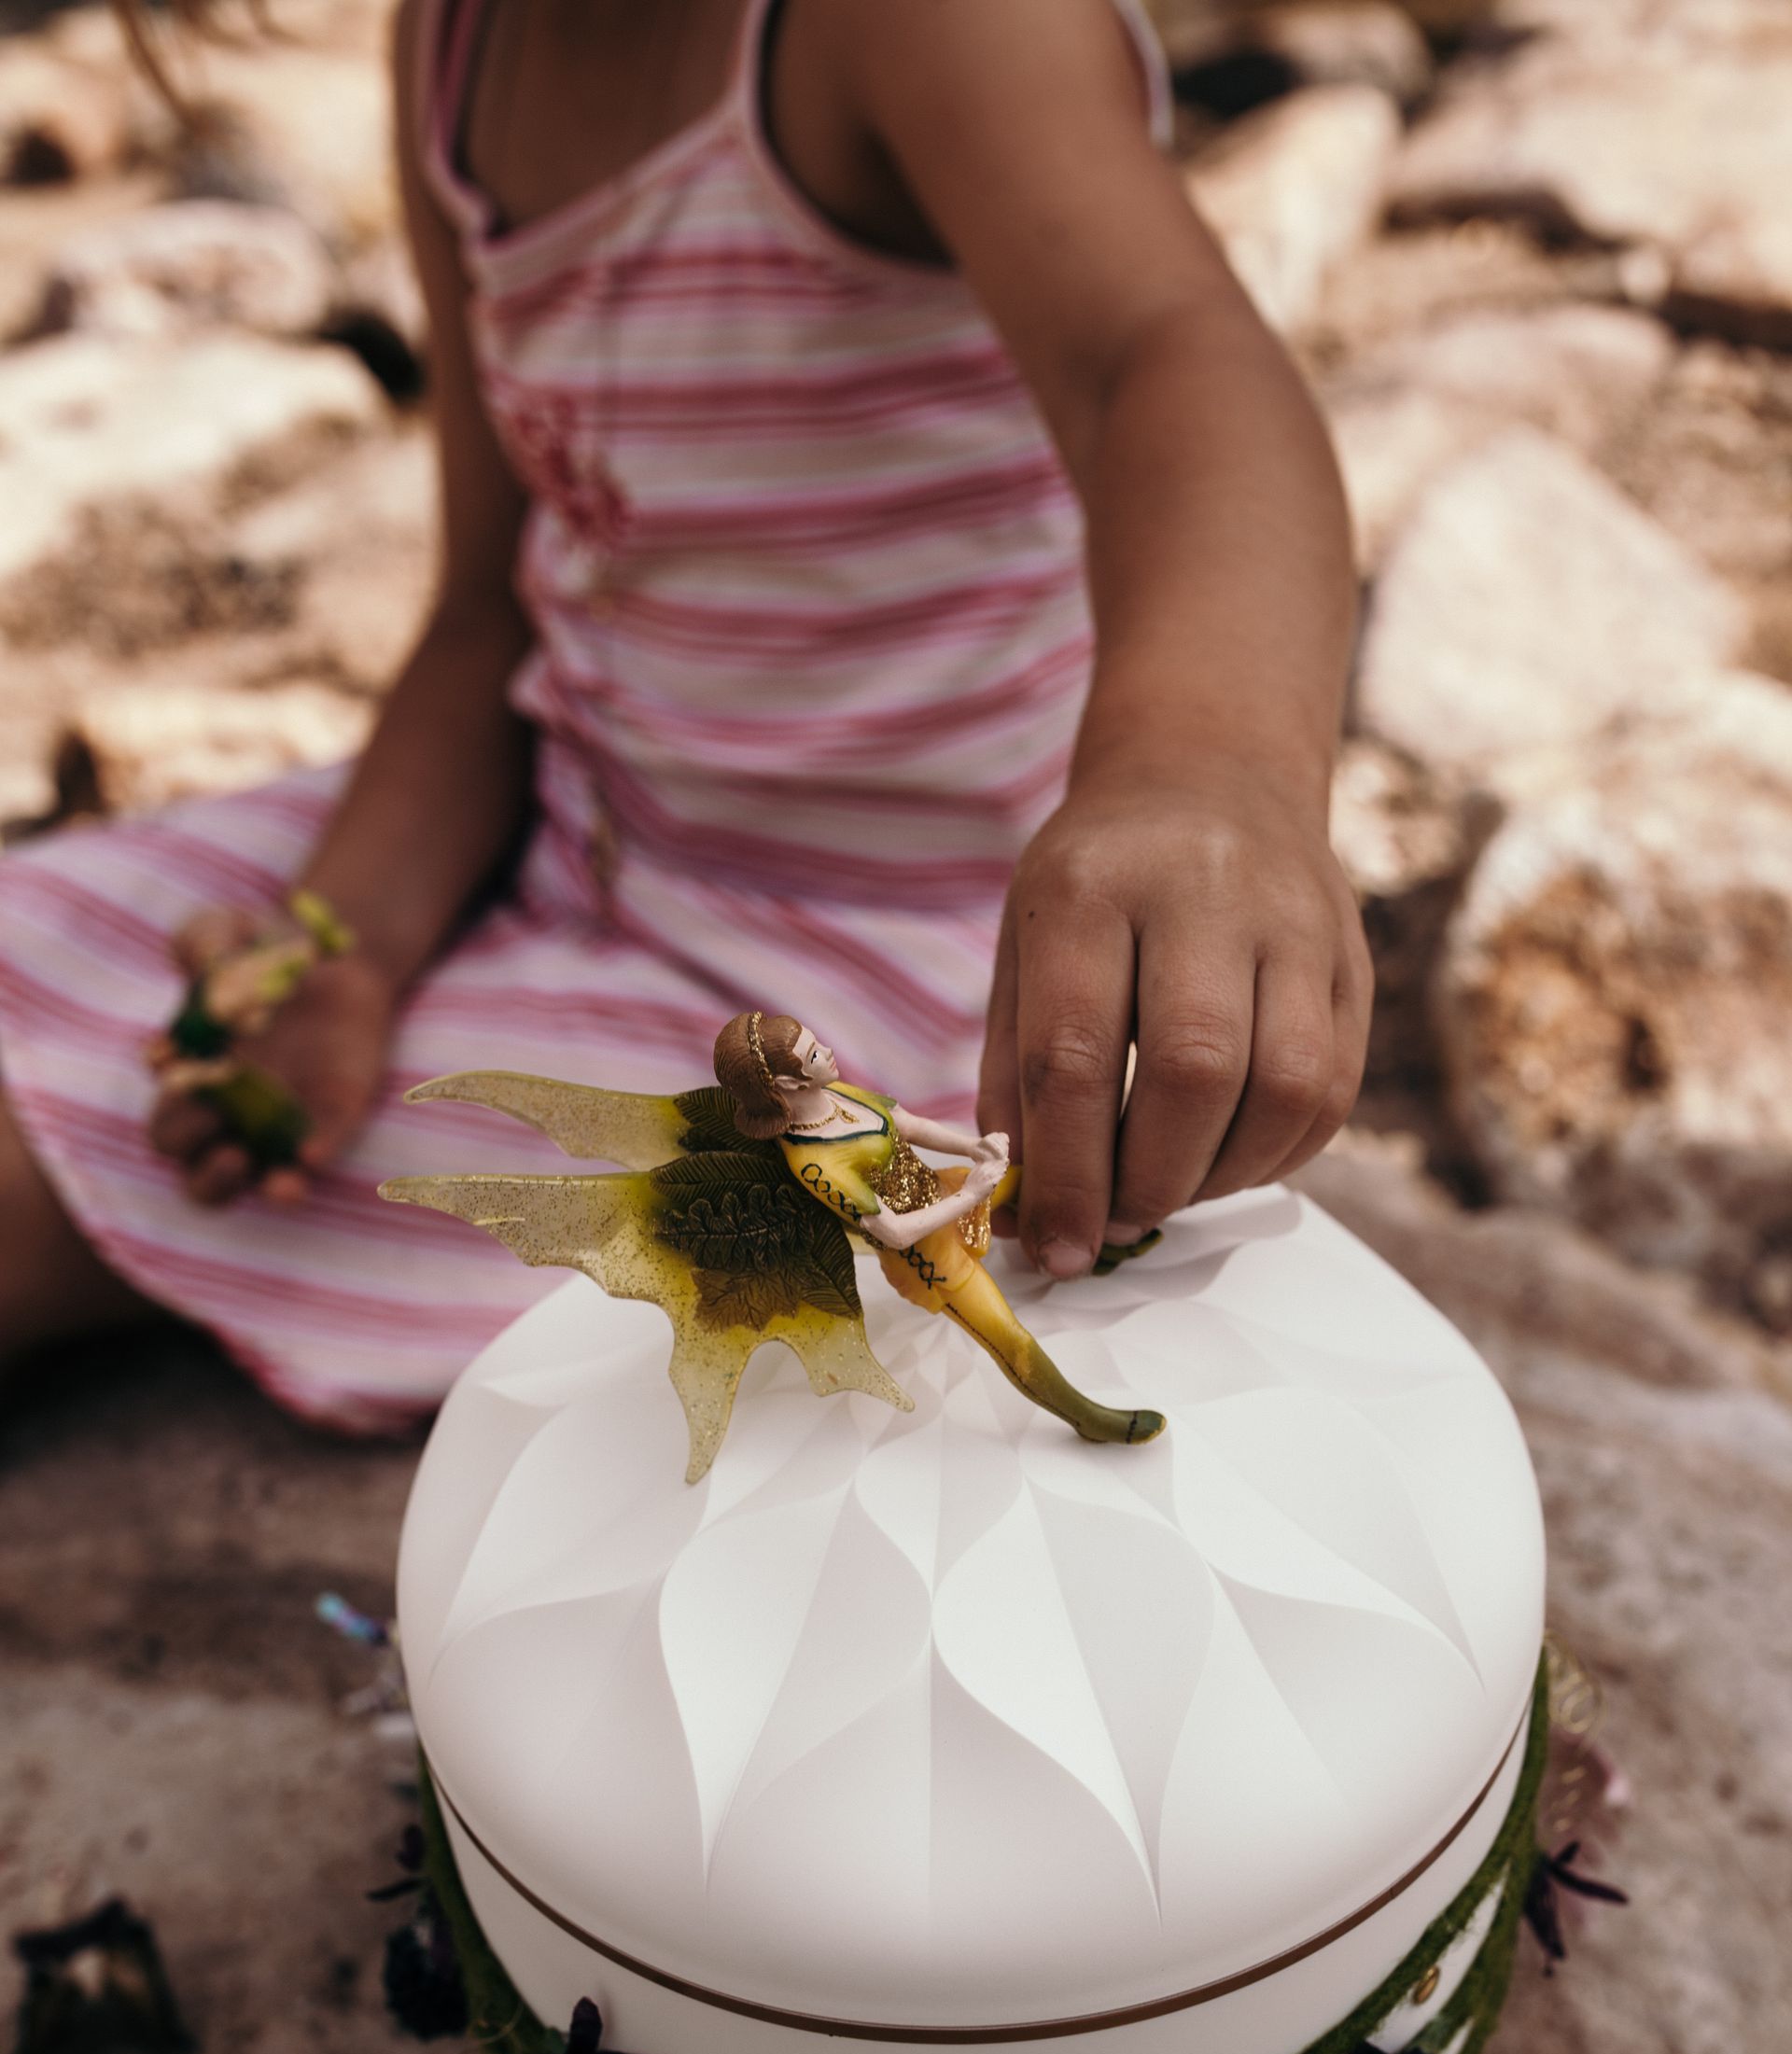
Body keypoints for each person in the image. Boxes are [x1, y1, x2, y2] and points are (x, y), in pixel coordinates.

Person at [0, 0, 1369, 1431]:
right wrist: (342, 943)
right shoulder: (461, 47)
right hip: (564, 816)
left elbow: (1171, 359)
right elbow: (490, 614)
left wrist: (1206, 771)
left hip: (860, 994)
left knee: (32, 1189)